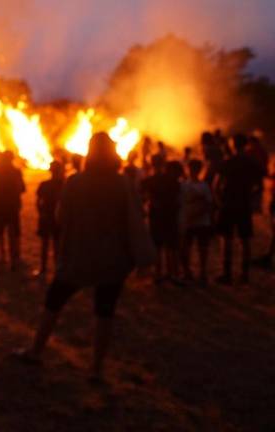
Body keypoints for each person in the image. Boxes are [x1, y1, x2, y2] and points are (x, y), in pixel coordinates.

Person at [14, 133, 155, 382]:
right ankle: (97, 369)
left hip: (78, 256)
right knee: (105, 311)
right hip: (112, 260)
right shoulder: (122, 184)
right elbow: (135, 221)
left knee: (54, 301)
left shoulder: (75, 182)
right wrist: (143, 259)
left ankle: (36, 351)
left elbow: (61, 217)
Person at [215, 134, 267, 285]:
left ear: (233, 145)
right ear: (245, 145)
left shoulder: (228, 162)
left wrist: (219, 202)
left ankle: (227, 274)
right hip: (244, 204)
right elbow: (260, 186)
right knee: (245, 240)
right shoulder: (252, 163)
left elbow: (216, 185)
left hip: (228, 204)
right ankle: (244, 275)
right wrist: (250, 197)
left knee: (227, 239)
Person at [142, 156, 183, 285]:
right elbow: (178, 198)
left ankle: (158, 273)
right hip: (170, 216)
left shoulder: (148, 181)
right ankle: (173, 274)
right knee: (171, 247)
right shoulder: (172, 180)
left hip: (156, 217)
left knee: (158, 247)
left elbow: (143, 197)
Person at [0, 149, 26, 270]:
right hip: (12, 206)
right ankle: (14, 260)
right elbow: (22, 188)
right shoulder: (15, 171)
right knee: (12, 233)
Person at [181, 159, 214, 285]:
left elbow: (209, 204)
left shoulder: (200, 186)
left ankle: (200, 273)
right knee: (191, 248)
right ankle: (191, 272)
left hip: (198, 221)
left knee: (199, 248)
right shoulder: (187, 185)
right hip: (194, 221)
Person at [35, 161, 65, 278]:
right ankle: (56, 270)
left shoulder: (45, 184)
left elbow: (38, 201)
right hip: (54, 218)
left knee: (46, 244)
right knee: (56, 245)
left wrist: (41, 213)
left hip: (48, 217)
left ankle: (44, 268)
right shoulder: (64, 185)